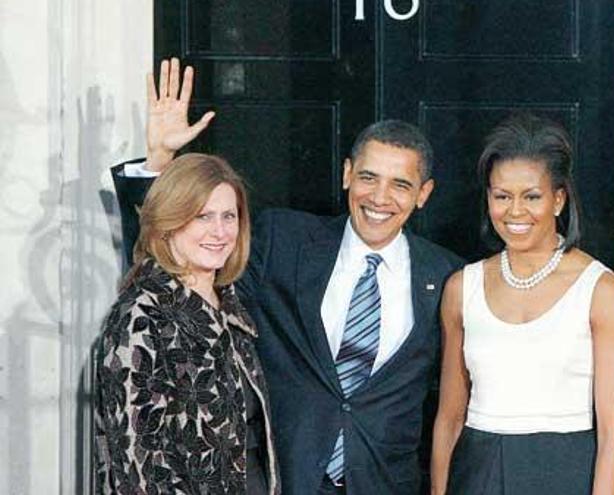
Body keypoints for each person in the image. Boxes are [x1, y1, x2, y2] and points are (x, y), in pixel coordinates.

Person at [111, 58, 464, 494]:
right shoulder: (284, 240)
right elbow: (176, 266)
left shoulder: (446, 276)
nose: (380, 197)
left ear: (423, 194)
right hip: (284, 481)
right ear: (347, 174)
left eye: (401, 185)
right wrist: (159, 163)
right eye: (368, 177)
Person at [430, 113, 614, 494]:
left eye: (531, 196)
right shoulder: (463, 287)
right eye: (501, 196)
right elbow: (449, 419)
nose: (515, 212)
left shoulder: (603, 292)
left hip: (564, 473)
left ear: (558, 199)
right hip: (477, 473)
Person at [94, 153, 280, 494]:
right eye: (202, 216)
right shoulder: (141, 317)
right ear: (169, 222)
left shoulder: (230, 305)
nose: (220, 231)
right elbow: (138, 471)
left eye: (229, 216)